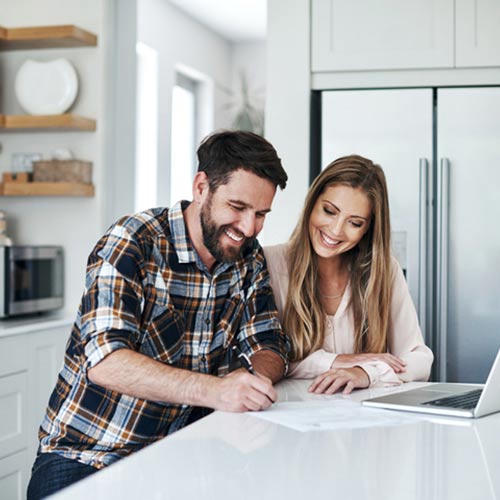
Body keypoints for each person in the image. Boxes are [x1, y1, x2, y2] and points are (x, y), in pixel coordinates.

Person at [27, 130, 290, 500]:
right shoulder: (132, 241)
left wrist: (252, 381)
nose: (249, 227)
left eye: (261, 214)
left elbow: (270, 342)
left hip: (183, 452)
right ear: (202, 187)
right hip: (90, 455)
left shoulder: (248, 255)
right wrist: (216, 390)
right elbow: (105, 361)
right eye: (238, 207)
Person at [264, 154, 433, 395]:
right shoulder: (268, 263)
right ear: (312, 203)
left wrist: (366, 373)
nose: (335, 230)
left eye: (354, 223)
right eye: (329, 211)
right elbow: (264, 360)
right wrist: (337, 360)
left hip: (361, 422)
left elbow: (419, 358)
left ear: (368, 229)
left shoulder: (385, 271)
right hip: (286, 418)